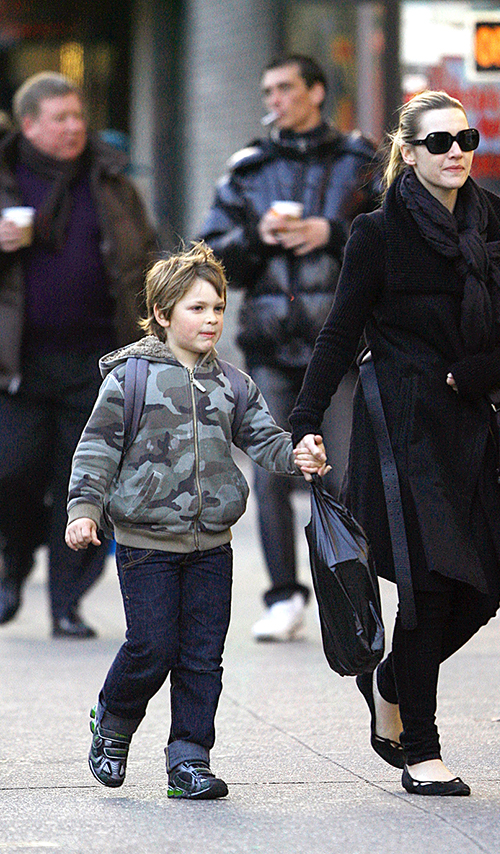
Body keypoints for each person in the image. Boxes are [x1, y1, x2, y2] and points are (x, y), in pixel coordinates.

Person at [291, 91, 500, 796]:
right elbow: (340, 331)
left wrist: (481, 370)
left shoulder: (499, 223)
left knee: (482, 590)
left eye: (466, 137)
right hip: (402, 427)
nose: (455, 150)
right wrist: (306, 419)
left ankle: (391, 681)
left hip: (474, 419)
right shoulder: (377, 234)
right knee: (428, 590)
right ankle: (422, 751)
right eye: (438, 141)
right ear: (408, 152)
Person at [65, 242, 328, 800]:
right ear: (162, 314)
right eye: (196, 308)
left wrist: (298, 455)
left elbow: (264, 439)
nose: (210, 319)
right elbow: (96, 451)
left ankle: (189, 758)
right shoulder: (130, 379)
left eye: (217, 308)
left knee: (202, 657)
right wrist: (84, 510)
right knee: (152, 646)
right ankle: (114, 720)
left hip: (212, 545)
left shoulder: (231, 383)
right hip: (146, 543)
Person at [198, 54, 380, 641]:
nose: (273, 98)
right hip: (272, 345)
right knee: (273, 474)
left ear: (317, 91)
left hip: (341, 346)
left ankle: (349, 592)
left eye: (284, 88)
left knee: (343, 474)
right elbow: (210, 254)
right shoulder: (248, 168)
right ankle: (283, 595)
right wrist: (258, 237)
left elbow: (398, 237)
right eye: (267, 89)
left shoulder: (362, 160)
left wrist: (334, 232)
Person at [0, 71, 157, 637]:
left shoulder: (111, 179)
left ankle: (66, 602)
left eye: (78, 117)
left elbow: (147, 253)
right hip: (17, 362)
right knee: (12, 471)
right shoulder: (5, 178)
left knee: (84, 483)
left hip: (98, 359)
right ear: (29, 125)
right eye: (60, 118)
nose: (73, 128)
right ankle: (12, 564)